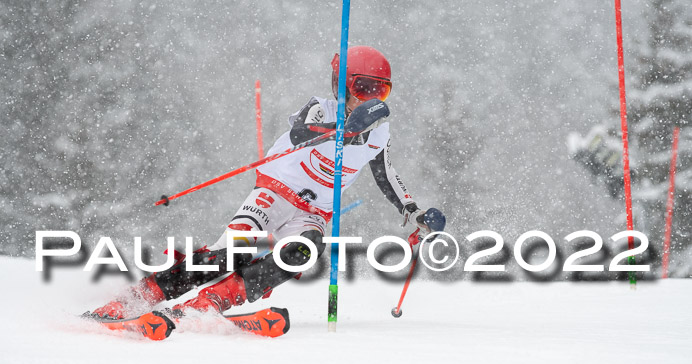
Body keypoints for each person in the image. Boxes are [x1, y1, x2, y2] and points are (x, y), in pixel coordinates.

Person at [90, 45, 445, 320]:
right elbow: (301, 131)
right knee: (232, 252)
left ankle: (213, 301)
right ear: (342, 83)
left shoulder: (378, 135)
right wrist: (345, 130)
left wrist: (413, 211)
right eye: (362, 87)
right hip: (275, 193)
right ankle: (145, 295)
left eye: (379, 91)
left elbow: (386, 174)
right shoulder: (322, 109)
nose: (368, 97)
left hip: (313, 212)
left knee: (304, 251)